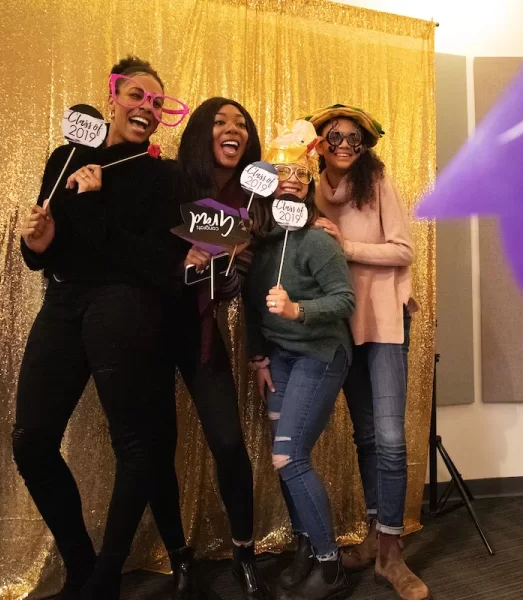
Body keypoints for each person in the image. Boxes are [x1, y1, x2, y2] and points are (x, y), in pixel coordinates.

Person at [14, 56, 190, 599]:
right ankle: (81, 566)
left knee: (135, 443)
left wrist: (91, 206)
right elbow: (47, 249)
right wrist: (34, 244)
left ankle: (105, 577)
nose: (147, 108)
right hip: (66, 297)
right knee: (31, 441)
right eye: (138, 96)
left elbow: (159, 265)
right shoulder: (66, 157)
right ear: (113, 95)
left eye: (158, 104)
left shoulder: (165, 177)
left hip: (128, 304)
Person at [305, 104, 429, 600]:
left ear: (365, 147)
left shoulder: (377, 185)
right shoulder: (307, 191)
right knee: (366, 438)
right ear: (319, 142)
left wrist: (345, 246)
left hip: (382, 320)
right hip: (338, 324)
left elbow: (402, 250)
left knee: (391, 437)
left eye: (355, 139)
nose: (344, 144)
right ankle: (377, 538)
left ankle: (393, 552)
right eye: (335, 135)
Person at [161, 97, 270, 600]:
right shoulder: (173, 182)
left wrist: (226, 264)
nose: (235, 129)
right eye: (222, 122)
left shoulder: (253, 204)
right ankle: (180, 558)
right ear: (203, 133)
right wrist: (179, 258)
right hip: (149, 328)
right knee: (154, 450)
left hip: (201, 330)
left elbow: (234, 289)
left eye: (242, 124)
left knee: (228, 442)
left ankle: (243, 551)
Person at [244, 121, 356, 600]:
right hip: (282, 358)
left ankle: (330, 564)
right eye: (281, 174)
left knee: (289, 457)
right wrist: (260, 357)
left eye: (299, 176)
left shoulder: (318, 240)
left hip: (321, 354)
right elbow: (252, 304)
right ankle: (306, 548)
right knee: (282, 456)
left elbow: (344, 301)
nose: (290, 182)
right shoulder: (265, 241)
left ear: (309, 187)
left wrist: (297, 309)